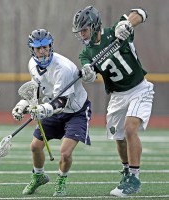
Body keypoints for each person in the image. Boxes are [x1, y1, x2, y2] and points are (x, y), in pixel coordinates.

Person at [72, 5, 154, 197]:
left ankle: (134, 177)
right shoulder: (87, 54)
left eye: (84, 30)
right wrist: (88, 73)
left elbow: (141, 13)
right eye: (80, 31)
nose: (82, 35)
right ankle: (126, 171)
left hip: (139, 89)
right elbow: (88, 72)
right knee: (118, 138)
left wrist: (126, 24)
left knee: (130, 129)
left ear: (94, 26)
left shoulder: (114, 32)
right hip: (117, 96)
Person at [12, 29, 92, 196]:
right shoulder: (32, 64)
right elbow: (37, 90)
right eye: (38, 48)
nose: (42, 52)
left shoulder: (62, 68)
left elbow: (61, 102)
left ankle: (61, 180)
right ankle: (38, 176)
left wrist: (43, 110)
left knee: (65, 152)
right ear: (32, 49)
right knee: (35, 146)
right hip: (53, 109)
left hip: (75, 110)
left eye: (45, 47)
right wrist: (23, 104)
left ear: (50, 46)